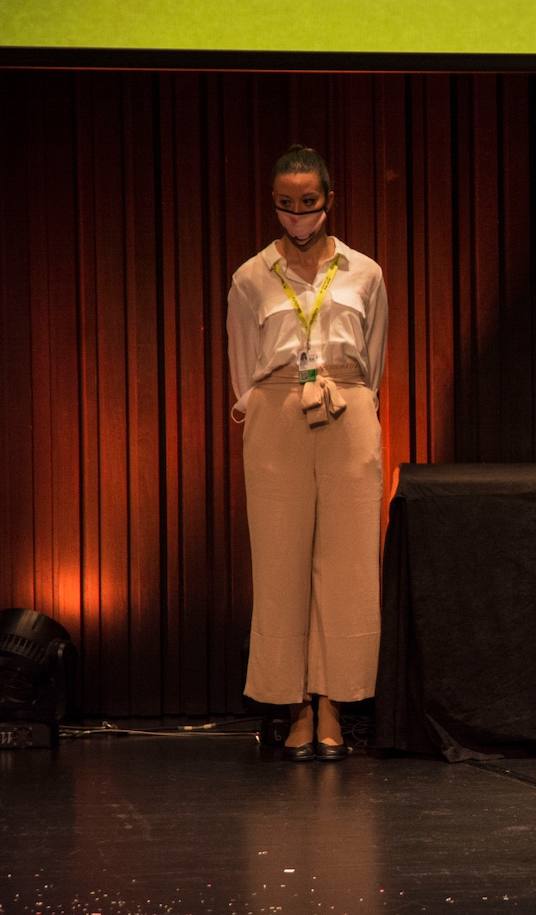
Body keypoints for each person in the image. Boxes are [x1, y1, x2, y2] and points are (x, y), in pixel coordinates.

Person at [228, 145, 389, 761]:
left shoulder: (364, 272)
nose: (297, 217)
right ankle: (292, 704)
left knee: (348, 564)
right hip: (275, 412)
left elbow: (374, 359)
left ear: (329, 201)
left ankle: (333, 704)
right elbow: (243, 365)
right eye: (286, 206)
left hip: (347, 409)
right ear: (274, 205)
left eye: (308, 204)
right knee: (280, 559)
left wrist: (349, 400)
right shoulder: (250, 277)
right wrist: (276, 401)